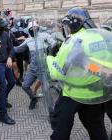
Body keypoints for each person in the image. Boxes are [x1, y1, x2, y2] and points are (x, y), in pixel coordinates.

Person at [46, 7, 109, 140]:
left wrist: (50, 57)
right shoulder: (99, 36)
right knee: (97, 128)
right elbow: (101, 67)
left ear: (73, 23)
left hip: (72, 93)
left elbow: (57, 73)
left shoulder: (73, 41)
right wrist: (87, 65)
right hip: (94, 93)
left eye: (67, 25)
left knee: (60, 129)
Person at [14, 21, 57, 110]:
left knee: (46, 91)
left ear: (38, 28)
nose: (33, 30)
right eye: (31, 29)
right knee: (25, 86)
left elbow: (54, 43)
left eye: (35, 28)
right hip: (33, 68)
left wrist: (49, 51)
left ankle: (51, 111)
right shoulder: (28, 40)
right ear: (28, 30)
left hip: (43, 69)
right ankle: (33, 99)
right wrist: (7, 46)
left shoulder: (44, 36)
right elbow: (18, 49)